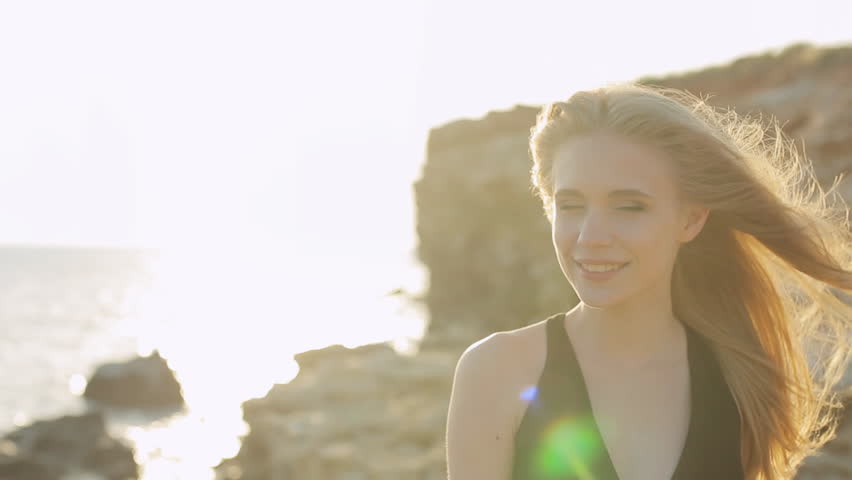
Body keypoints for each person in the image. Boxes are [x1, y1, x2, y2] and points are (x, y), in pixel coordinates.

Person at [445, 83, 852, 480]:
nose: (591, 236)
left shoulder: (740, 376)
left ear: (691, 218)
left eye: (629, 206)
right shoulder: (497, 371)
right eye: (571, 205)